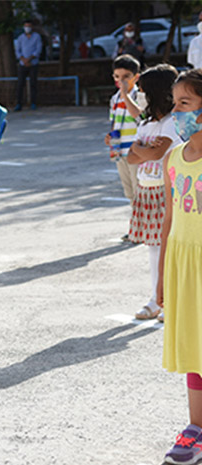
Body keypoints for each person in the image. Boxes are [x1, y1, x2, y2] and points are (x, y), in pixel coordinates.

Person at [156, 68, 202, 465]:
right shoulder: (173, 157)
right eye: (175, 105)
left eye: (185, 104)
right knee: (193, 347)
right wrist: (160, 277)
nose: (177, 113)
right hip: (182, 261)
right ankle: (196, 428)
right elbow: (169, 219)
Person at [124, 65, 181, 322]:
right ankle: (156, 298)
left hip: (165, 191)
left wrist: (141, 148)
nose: (139, 96)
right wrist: (141, 148)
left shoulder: (171, 123)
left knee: (169, 247)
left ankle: (170, 299)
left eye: (143, 91)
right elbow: (131, 157)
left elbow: (157, 154)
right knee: (154, 248)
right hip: (146, 190)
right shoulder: (147, 123)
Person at [106, 54, 146, 241]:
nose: (120, 81)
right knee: (129, 192)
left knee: (140, 191)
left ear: (136, 77)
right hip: (119, 150)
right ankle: (135, 227)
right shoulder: (114, 99)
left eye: (125, 77)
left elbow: (138, 116)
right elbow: (115, 122)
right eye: (116, 77)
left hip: (136, 151)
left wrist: (125, 95)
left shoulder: (140, 95)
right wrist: (110, 136)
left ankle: (143, 228)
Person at [14, 20, 43, 111]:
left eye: (29, 26)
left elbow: (38, 50)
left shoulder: (37, 37)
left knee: (33, 84)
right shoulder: (20, 38)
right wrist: (23, 60)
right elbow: (18, 51)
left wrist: (29, 59)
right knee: (20, 84)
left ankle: (33, 103)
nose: (27, 28)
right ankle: (19, 103)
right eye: (26, 26)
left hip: (33, 63)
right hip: (23, 64)